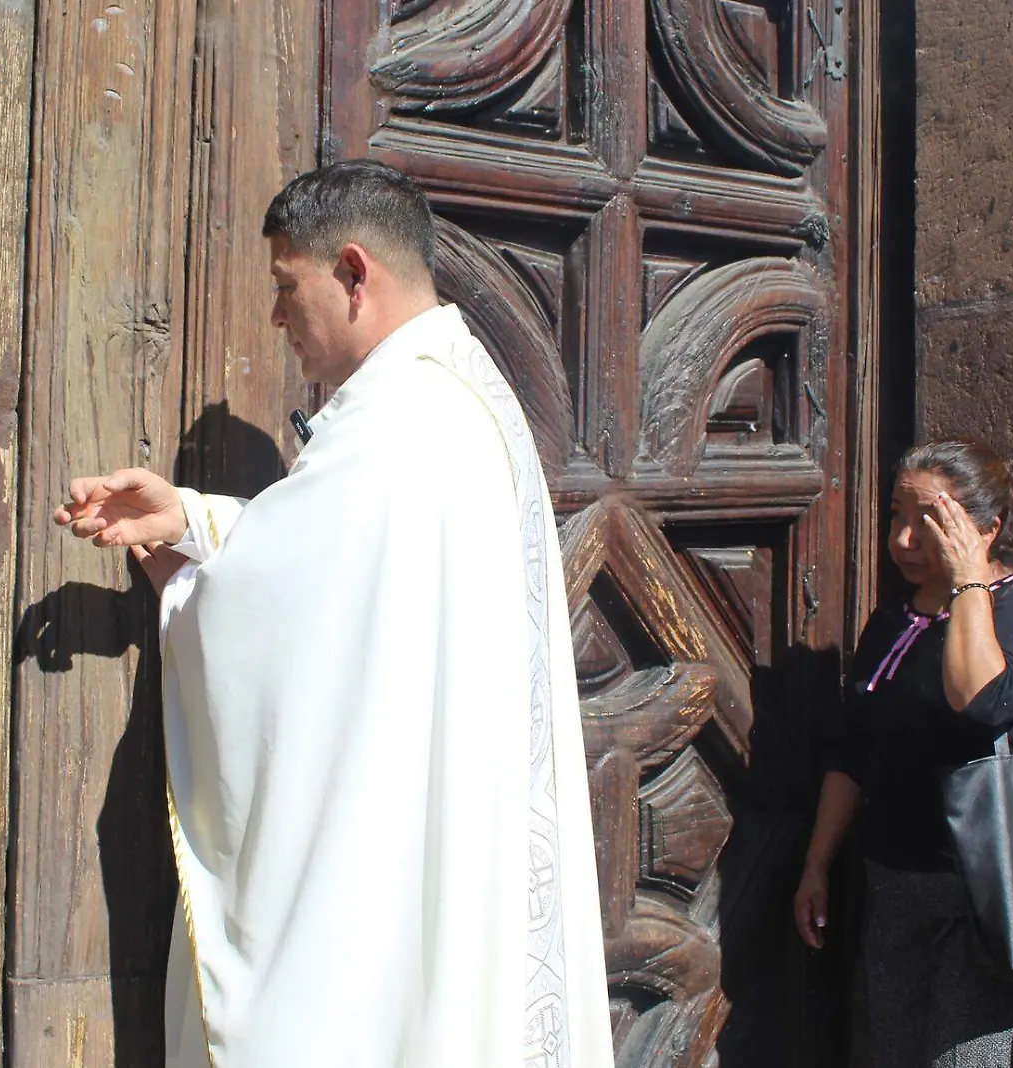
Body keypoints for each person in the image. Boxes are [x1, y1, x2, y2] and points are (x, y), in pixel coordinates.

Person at [52, 160, 615, 1068]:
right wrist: (192, 517)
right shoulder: (463, 395)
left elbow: (281, 609)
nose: (277, 320)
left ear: (354, 274)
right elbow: (341, 566)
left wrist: (179, 571)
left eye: (286, 288)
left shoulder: (396, 419)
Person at [791, 440, 1013, 1067]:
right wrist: (818, 863)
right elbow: (855, 751)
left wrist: (970, 580)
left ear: (986, 527)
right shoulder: (892, 619)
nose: (902, 540)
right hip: (896, 880)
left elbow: (981, 699)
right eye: (897, 516)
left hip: (989, 891)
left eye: (928, 522)